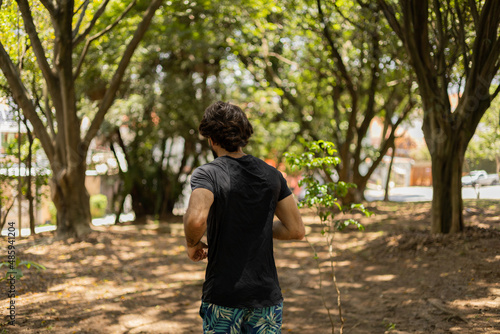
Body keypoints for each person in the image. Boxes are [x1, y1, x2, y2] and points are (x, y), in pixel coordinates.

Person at [183, 101, 305, 333]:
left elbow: (196, 219)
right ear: (243, 136)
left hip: (223, 297)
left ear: (211, 138)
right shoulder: (272, 175)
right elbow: (296, 230)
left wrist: (192, 244)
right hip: (266, 299)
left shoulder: (208, 174)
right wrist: (253, 224)